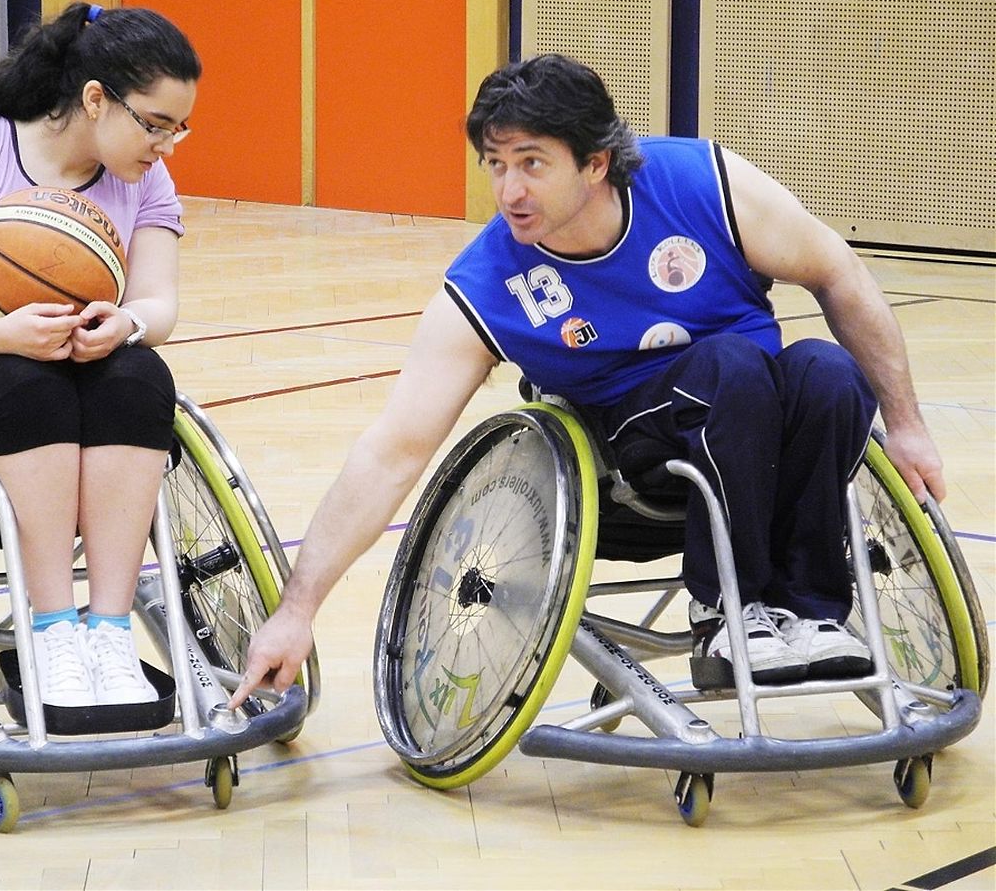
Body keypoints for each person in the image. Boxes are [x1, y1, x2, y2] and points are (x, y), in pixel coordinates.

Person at [231, 53, 945, 703]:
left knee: (827, 370)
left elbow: (841, 274)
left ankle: (813, 612)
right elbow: (393, 449)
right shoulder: (487, 284)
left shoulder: (702, 184)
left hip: (760, 431)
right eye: (495, 164)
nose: (509, 190)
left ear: (596, 163)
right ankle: (726, 612)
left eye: (532, 163)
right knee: (730, 366)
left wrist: (908, 427)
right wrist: (297, 611)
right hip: (632, 459)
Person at [0, 3, 200, 708]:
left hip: (78, 373)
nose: (167, 145)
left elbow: (159, 304)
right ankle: (54, 628)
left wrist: (125, 324)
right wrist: (7, 333)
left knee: (141, 377)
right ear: (95, 99)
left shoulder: (146, 180)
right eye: (155, 124)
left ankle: (109, 631)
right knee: (28, 387)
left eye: (179, 128)